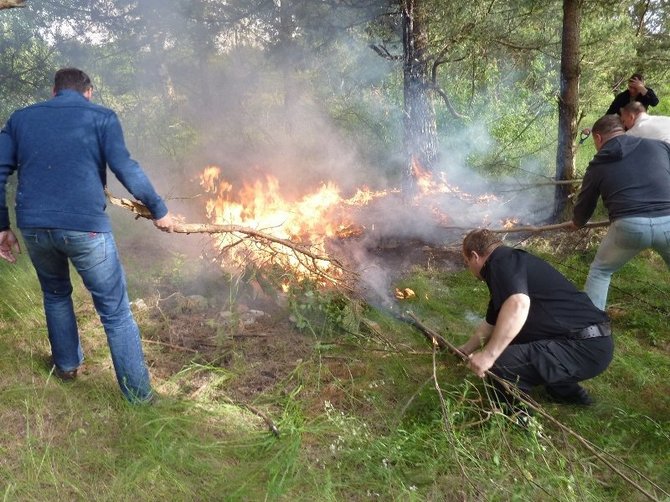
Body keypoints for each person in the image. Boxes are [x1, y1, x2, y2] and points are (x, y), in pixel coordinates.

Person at [0, 68, 175, 403]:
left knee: (55, 294)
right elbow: (125, 166)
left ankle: (66, 366)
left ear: (53, 91)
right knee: (115, 311)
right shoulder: (102, 117)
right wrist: (159, 209)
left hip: (35, 226)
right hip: (87, 227)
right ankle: (138, 396)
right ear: (89, 92)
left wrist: (1, 225)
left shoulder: (21, 119)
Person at [458, 229, 613, 408]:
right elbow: (491, 324)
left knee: (502, 363)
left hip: (584, 347)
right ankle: (564, 391)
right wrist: (465, 349)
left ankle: (517, 418)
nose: (469, 267)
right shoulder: (509, 264)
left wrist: (488, 356)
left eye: (467, 261)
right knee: (508, 334)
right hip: (593, 342)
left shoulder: (500, 263)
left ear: (475, 256)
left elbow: (518, 304)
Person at [572, 114, 670, 310]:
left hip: (630, 226)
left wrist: (576, 223)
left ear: (598, 138)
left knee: (600, 271)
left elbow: (585, 206)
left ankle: (592, 328)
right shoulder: (658, 146)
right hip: (668, 220)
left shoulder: (597, 164)